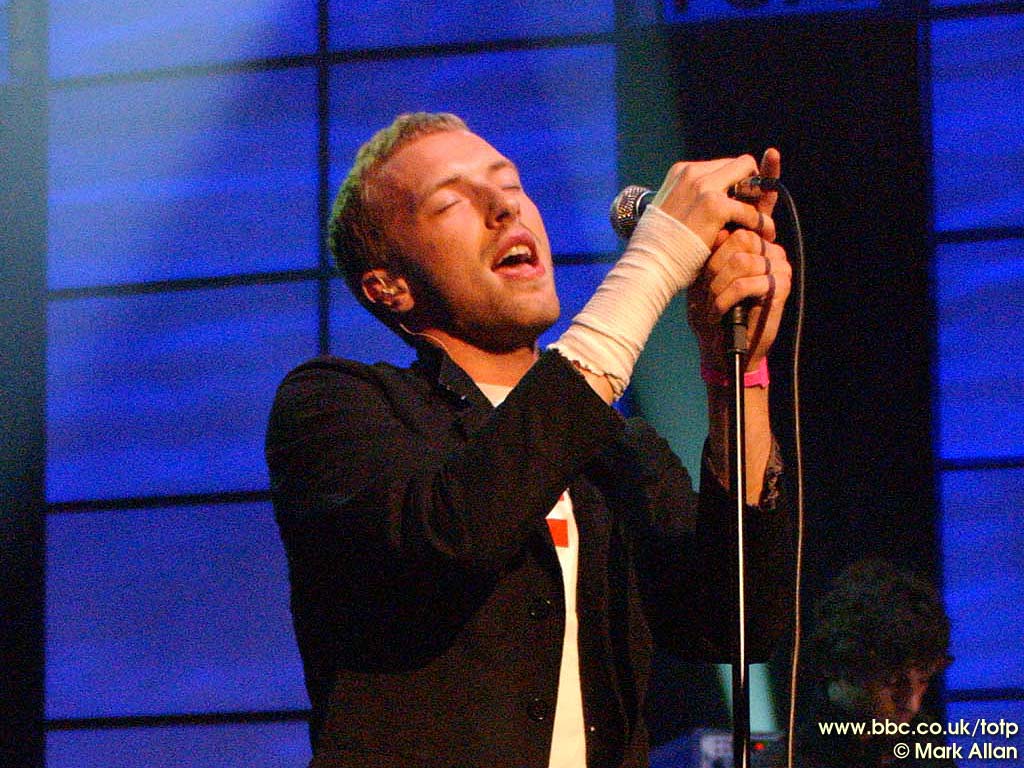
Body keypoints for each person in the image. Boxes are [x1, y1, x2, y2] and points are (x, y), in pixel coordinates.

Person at [265, 111, 794, 768]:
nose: (503, 207)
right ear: (389, 287)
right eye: (451, 202)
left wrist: (734, 374)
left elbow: (736, 621)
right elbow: (453, 533)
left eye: (510, 185)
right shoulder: (335, 404)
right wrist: (655, 261)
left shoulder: (618, 450)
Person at [785, 558, 955, 768]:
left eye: (923, 680)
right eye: (892, 681)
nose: (912, 703)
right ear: (841, 668)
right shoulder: (789, 760)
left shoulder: (925, 748)